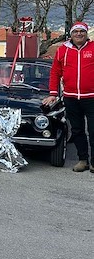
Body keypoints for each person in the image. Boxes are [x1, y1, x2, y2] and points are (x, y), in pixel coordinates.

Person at [43, 21, 94, 173]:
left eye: (82, 31)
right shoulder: (62, 50)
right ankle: (83, 160)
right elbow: (55, 73)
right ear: (71, 34)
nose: (79, 34)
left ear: (86, 34)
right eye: (76, 31)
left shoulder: (93, 48)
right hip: (70, 98)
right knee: (77, 130)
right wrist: (53, 93)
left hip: (92, 97)